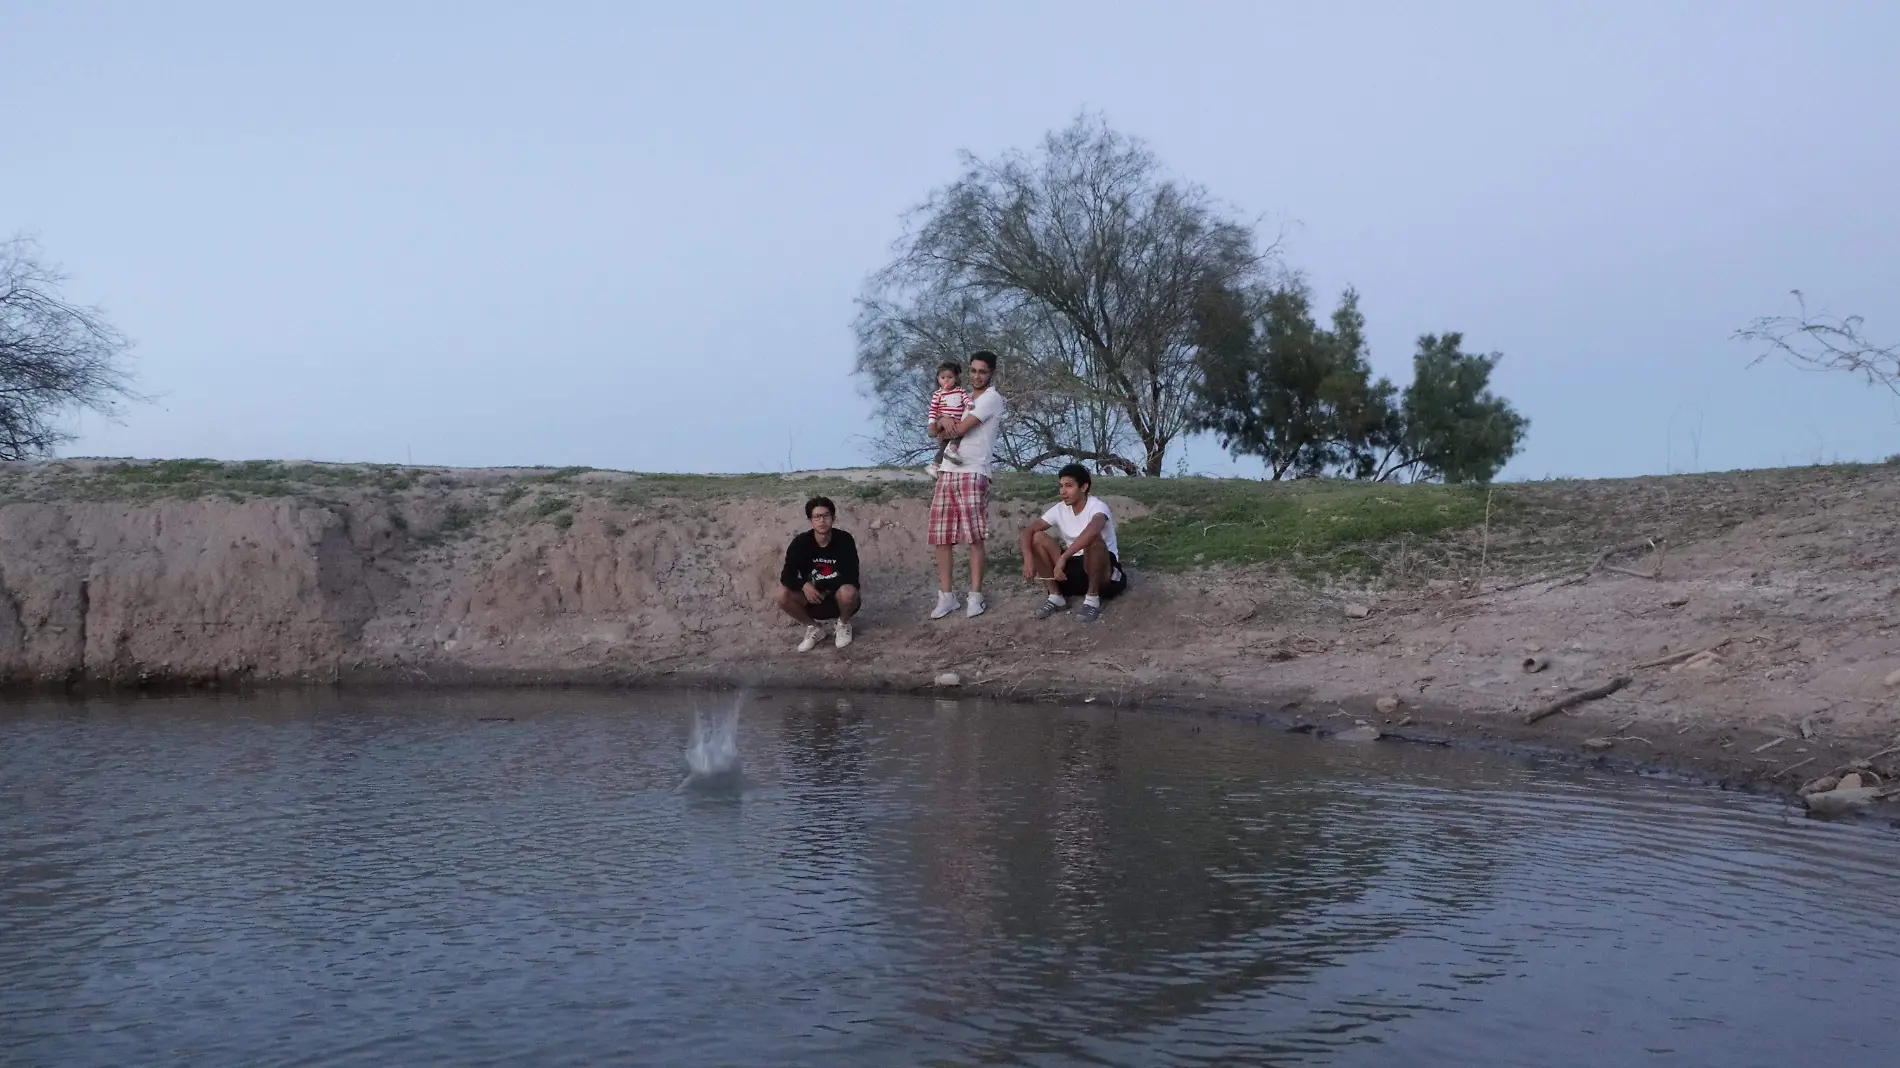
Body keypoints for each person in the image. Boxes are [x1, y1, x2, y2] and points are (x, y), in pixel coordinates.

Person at [927, 350, 1005, 619]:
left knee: (973, 536)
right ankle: (947, 596)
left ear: (991, 372)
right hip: (947, 469)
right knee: (942, 536)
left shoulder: (992, 399)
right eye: (972, 370)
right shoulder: (961, 396)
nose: (976, 376)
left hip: (974, 470)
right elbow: (934, 432)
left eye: (982, 371)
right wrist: (942, 420)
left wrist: (946, 421)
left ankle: (975, 596)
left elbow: (961, 429)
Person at [1018, 463, 1126, 624]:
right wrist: (1028, 559)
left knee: (1092, 539)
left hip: (1103, 571)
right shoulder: (1059, 509)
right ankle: (1055, 597)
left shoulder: (1097, 507)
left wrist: (1063, 558)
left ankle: (1092, 600)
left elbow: (1093, 530)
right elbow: (1028, 530)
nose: (1063, 491)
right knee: (1037, 537)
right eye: (1061, 486)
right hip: (1074, 568)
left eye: (1069, 486)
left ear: (1084, 487)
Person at [776, 496, 860, 650]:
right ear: (811, 521)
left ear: (833, 518)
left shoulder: (845, 540)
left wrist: (825, 587)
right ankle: (814, 628)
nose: (822, 521)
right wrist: (804, 585)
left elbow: (852, 576)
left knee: (849, 591)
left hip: (837, 598)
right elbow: (786, 576)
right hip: (812, 599)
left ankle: (842, 624)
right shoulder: (800, 543)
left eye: (826, 516)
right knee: (782, 593)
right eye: (817, 517)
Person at [924, 361, 971, 478]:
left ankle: (943, 458)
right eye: (943, 377)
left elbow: (965, 399)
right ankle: (935, 465)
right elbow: (933, 409)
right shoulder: (937, 394)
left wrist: (969, 404)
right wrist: (932, 422)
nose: (946, 380)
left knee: (956, 437)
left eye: (950, 377)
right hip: (943, 423)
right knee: (945, 443)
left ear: (955, 378)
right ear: (938, 379)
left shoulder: (960, 391)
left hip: (957, 421)